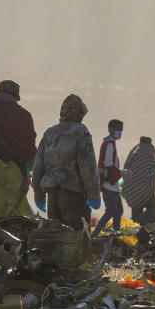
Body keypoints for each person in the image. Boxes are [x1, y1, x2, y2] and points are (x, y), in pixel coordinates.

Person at [31, 94, 101, 230]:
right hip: (73, 196)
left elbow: (38, 166)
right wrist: (93, 194)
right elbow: (88, 166)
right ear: (79, 113)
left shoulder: (50, 132)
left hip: (52, 196)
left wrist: (38, 195)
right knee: (76, 238)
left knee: (56, 235)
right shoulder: (81, 131)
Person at [92, 119, 125, 237]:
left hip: (113, 185)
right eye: (118, 130)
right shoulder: (109, 144)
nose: (120, 133)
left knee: (119, 210)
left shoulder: (110, 143)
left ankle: (116, 232)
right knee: (111, 211)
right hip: (109, 184)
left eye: (121, 130)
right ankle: (95, 233)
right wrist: (122, 173)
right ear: (111, 129)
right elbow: (108, 164)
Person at [121, 136, 155, 226]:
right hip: (145, 188)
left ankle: (134, 227)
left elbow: (126, 166)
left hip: (131, 188)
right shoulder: (150, 152)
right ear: (150, 143)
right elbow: (151, 170)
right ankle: (140, 223)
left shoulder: (135, 151)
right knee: (153, 206)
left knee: (136, 209)